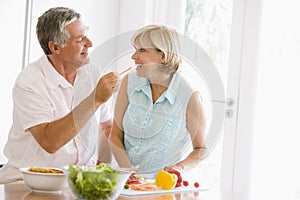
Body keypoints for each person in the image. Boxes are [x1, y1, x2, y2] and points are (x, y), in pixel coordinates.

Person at [0, 7, 120, 183]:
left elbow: (106, 128)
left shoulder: (93, 73)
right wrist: (94, 99)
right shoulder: (30, 81)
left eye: (86, 35)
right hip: (26, 183)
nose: (90, 43)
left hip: (77, 183)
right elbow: (50, 142)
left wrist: (102, 173)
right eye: (80, 39)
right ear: (55, 47)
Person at [110, 24, 207, 174]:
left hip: (163, 185)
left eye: (141, 50)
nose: (133, 56)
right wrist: (128, 170)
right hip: (126, 181)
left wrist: (179, 168)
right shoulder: (128, 82)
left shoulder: (190, 97)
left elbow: (201, 150)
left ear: (162, 56)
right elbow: (115, 135)